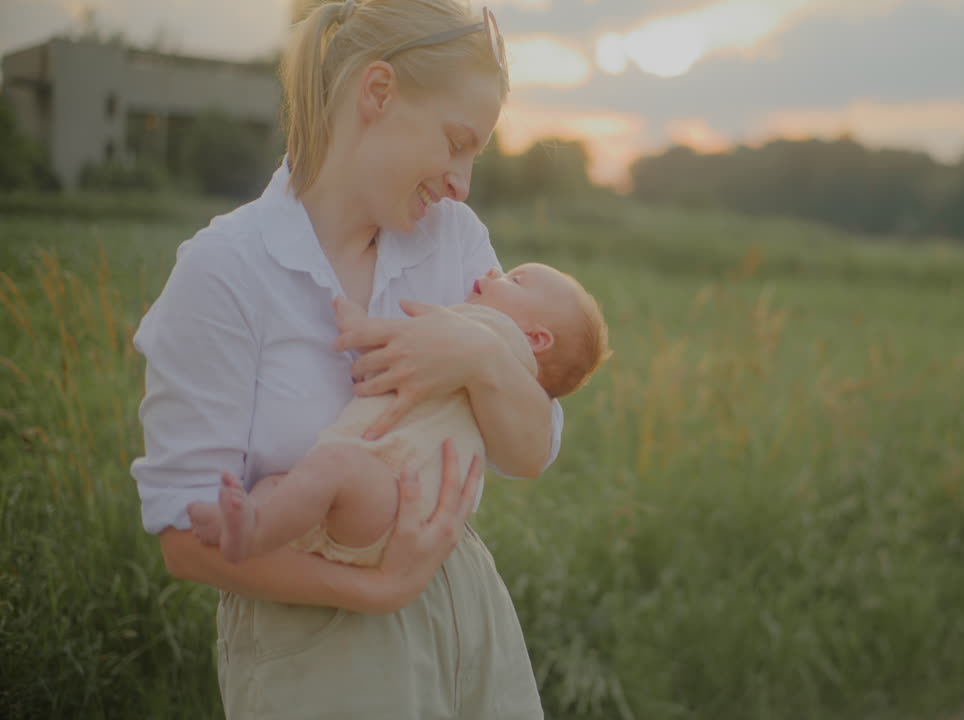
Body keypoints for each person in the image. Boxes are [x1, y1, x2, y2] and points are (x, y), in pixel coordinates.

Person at [130, 1, 561, 716]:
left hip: (470, 612)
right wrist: (377, 588)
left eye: (474, 157)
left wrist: (478, 356)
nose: (462, 182)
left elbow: (531, 450)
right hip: (319, 636)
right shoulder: (226, 271)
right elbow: (185, 534)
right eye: (456, 144)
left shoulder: (456, 244)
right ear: (378, 92)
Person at [185, 262, 610, 567]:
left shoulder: (488, 333)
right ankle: (246, 525)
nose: (493, 273)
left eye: (514, 279)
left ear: (536, 338)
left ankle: (254, 533)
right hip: (386, 507)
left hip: (392, 497)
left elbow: (393, 347)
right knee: (290, 482)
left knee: (326, 468)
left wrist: (356, 321)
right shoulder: (503, 371)